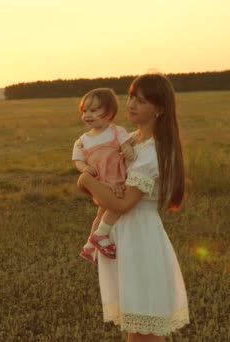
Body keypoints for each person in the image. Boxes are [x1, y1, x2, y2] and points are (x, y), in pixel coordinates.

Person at [77, 73, 189, 340]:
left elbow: (123, 202)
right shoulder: (130, 140)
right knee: (136, 328)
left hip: (140, 238)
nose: (131, 105)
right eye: (130, 98)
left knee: (145, 329)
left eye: (140, 101)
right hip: (124, 235)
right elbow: (106, 185)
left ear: (159, 109)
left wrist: (84, 180)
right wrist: (93, 182)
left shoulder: (153, 151)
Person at [72, 88, 135, 264]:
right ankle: (101, 235)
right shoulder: (82, 140)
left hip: (117, 178)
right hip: (101, 183)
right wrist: (85, 168)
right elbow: (77, 160)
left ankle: (89, 246)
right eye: (84, 111)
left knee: (102, 213)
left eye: (93, 110)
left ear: (109, 113)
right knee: (115, 206)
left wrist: (128, 150)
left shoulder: (117, 132)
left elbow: (126, 145)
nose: (87, 115)